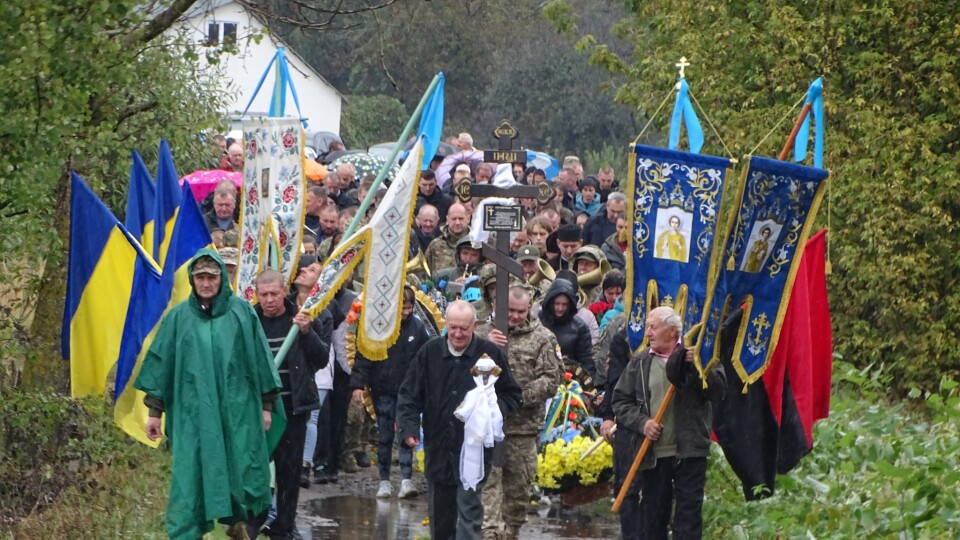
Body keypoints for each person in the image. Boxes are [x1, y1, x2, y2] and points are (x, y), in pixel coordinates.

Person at [135, 249, 281, 540]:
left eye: (211, 277)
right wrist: (154, 413)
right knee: (191, 473)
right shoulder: (178, 319)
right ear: (192, 279)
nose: (205, 283)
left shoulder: (242, 313)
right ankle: (187, 532)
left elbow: (259, 361)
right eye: (200, 277)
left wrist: (265, 406)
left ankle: (237, 523)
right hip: (192, 413)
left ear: (221, 278)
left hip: (235, 411)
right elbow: (162, 365)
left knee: (238, 465)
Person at [397, 301, 523, 540]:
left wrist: (492, 411)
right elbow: (409, 394)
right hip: (439, 445)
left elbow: (512, 394)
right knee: (440, 519)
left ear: (474, 325)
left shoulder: (489, 354)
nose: (457, 333)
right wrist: (408, 428)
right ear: (446, 324)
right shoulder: (429, 352)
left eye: (464, 328)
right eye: (453, 327)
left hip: (473, 451)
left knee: (469, 514)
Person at [612, 306, 727, 540]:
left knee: (688, 518)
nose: (647, 333)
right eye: (647, 327)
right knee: (654, 518)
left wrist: (698, 367)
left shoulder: (700, 356)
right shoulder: (641, 362)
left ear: (672, 331)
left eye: (653, 327)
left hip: (690, 451)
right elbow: (620, 401)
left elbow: (718, 391)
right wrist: (642, 423)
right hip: (654, 454)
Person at [247, 269, 329, 539]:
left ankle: (283, 527)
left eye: (274, 293)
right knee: (255, 468)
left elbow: (320, 359)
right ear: (257, 295)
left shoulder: (300, 318)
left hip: (293, 407)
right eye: (264, 294)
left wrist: (306, 331)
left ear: (284, 291)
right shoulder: (250, 321)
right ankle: (254, 519)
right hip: (258, 410)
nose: (270, 299)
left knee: (289, 473)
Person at [478, 286, 564, 539]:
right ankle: (489, 533)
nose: (514, 316)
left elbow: (552, 378)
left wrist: (518, 397)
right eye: (509, 311)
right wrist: (483, 344)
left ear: (529, 309)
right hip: (486, 426)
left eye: (520, 311)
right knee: (487, 487)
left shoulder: (542, 338)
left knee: (517, 492)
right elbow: (462, 368)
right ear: (496, 305)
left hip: (522, 429)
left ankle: (510, 532)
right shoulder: (481, 333)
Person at [350, 286, 431, 499]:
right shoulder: (379, 328)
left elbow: (428, 355)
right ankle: (384, 481)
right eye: (403, 308)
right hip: (383, 389)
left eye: (410, 308)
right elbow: (364, 355)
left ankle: (406, 480)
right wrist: (358, 385)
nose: (406, 312)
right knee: (385, 436)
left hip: (409, 392)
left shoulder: (418, 328)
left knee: (406, 435)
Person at [539, 278, 597, 382]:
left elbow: (586, 361)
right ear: (550, 302)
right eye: (557, 304)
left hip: (568, 380)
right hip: (539, 377)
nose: (560, 308)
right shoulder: (537, 320)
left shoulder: (580, 327)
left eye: (564, 304)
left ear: (570, 305)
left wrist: (589, 387)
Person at [424, 202, 470, 273]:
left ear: (468, 219)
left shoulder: (477, 245)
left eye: (461, 219)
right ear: (447, 220)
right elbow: (425, 273)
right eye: (454, 219)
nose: (457, 223)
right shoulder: (435, 245)